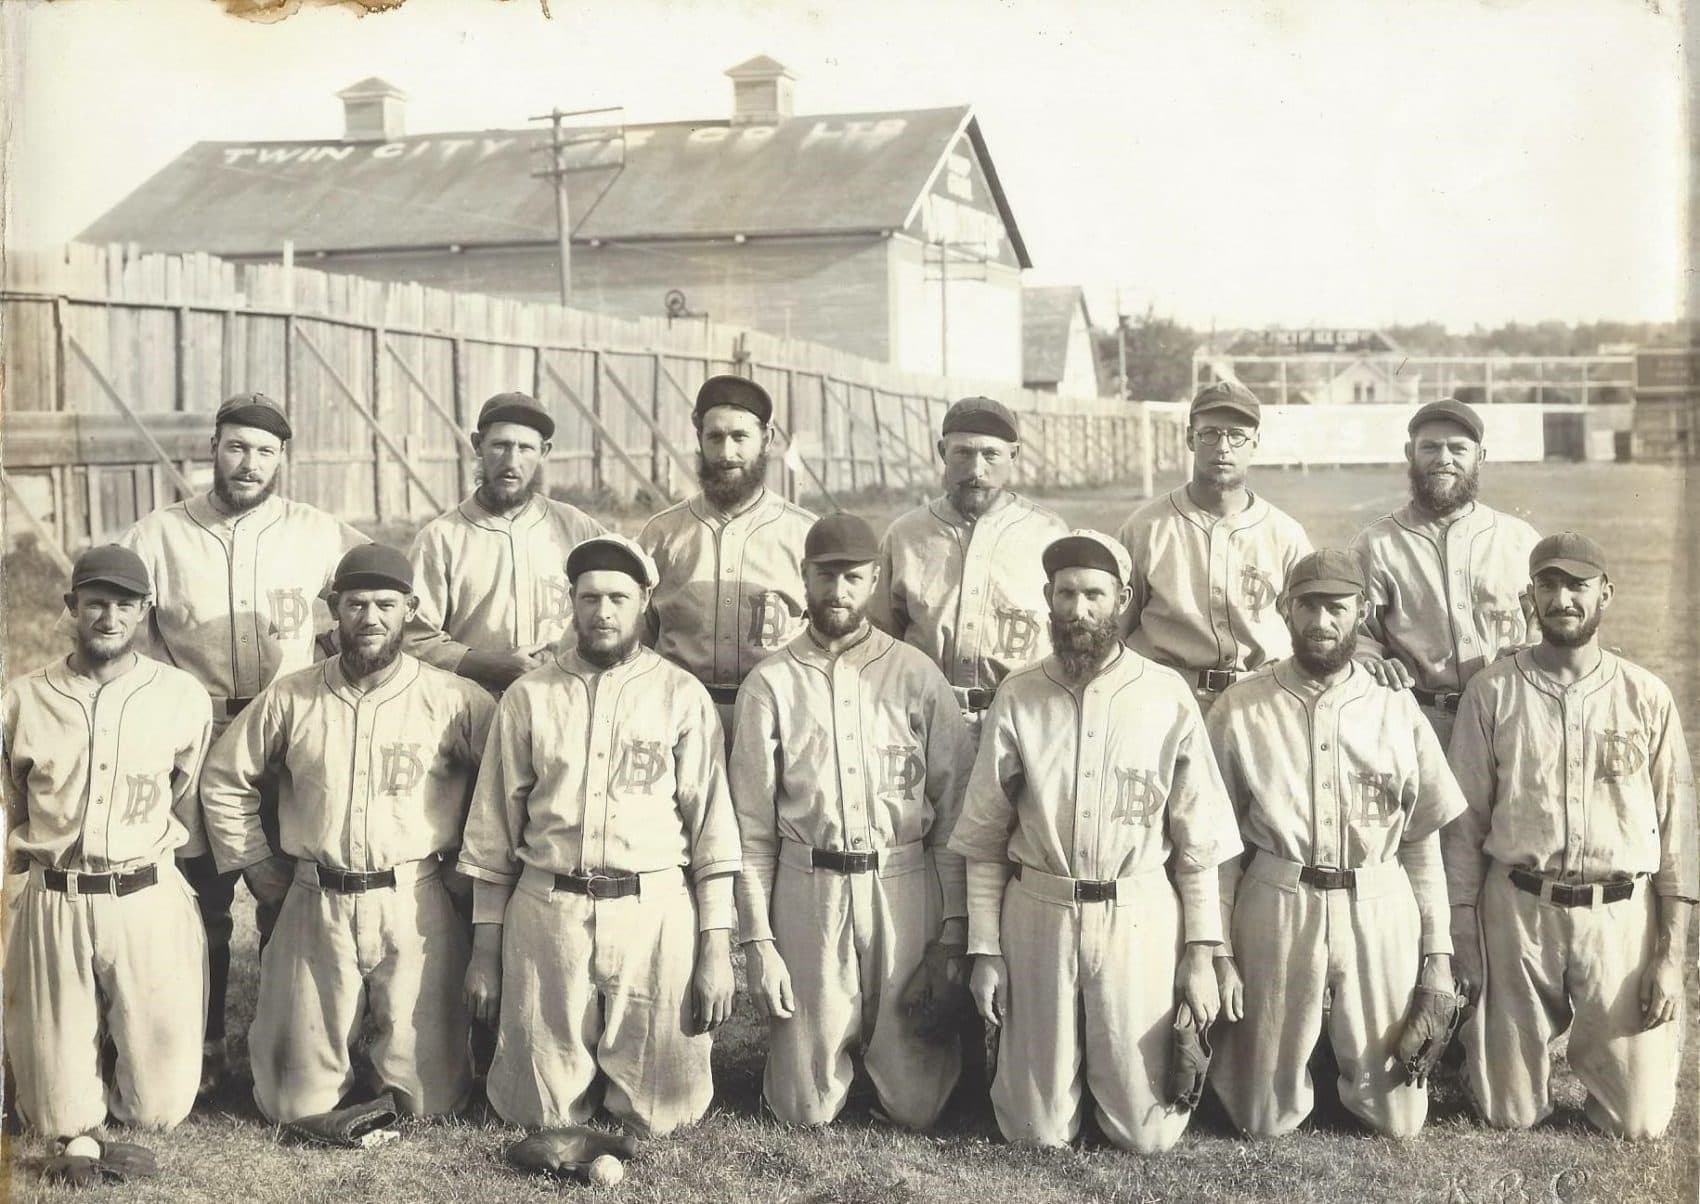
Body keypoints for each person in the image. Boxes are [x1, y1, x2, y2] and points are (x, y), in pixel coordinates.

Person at [947, 530, 1241, 1152]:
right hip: (1040, 910)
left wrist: (1201, 955)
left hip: (1136, 911)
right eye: (1066, 595)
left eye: (1094, 596)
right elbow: (984, 838)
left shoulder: (1165, 694)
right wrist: (985, 950)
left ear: (1123, 599)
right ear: (1047, 599)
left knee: (1145, 1137)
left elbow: (1197, 846)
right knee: (1036, 1133)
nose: (1078, 611)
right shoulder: (1019, 694)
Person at [117, 390, 367, 1091]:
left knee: (289, 890)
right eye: (236, 446)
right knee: (202, 897)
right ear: (212, 450)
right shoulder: (158, 534)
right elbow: (111, 622)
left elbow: (377, 591)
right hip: (196, 731)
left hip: (288, 731)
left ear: (283, 459)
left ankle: (295, 1045)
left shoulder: (317, 531)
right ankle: (197, 1051)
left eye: (265, 451)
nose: (249, 463)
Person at [198, 544, 495, 1123]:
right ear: (334, 608)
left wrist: (469, 871)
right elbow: (224, 778)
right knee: (290, 1104)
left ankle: (406, 1058)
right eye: (355, 604)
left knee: (427, 1105)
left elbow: (503, 791)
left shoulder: (456, 699)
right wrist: (256, 865)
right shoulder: (291, 696)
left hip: (415, 900)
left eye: (386, 604)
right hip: (315, 898)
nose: (370, 618)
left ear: (410, 608)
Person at [458, 534, 742, 1136]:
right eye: (589, 598)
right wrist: (485, 951)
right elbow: (491, 834)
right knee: (536, 1114)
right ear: (572, 602)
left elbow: (713, 829)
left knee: (664, 1116)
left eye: (618, 597)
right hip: (550, 906)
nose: (603, 612)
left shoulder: (681, 696)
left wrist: (715, 947)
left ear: (644, 601)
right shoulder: (529, 696)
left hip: (653, 910)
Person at [1444, 531, 1695, 1139]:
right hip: (1519, 911)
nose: (1562, 599)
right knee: (1509, 1115)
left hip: (1620, 916)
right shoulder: (1493, 691)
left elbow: (1680, 837)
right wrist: (1463, 931)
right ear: (1529, 596)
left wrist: (1669, 953)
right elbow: (1464, 824)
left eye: (1578, 585)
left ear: (1605, 594)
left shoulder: (1646, 695)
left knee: (1637, 1125)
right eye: (1548, 585)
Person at [1205, 550, 1464, 1137]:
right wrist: (1220, 950)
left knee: (1397, 1119)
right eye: (1308, 605)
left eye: (1336, 607)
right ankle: (1293, 1049)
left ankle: (1334, 1046)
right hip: (1278, 894)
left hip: (1378, 898)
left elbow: (1422, 844)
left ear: (1362, 612)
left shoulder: (1397, 707)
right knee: (1260, 1119)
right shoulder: (1240, 705)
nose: (1321, 620)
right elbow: (1219, 848)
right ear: (1284, 609)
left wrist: (1438, 962)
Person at [730, 513, 975, 1129]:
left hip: (902, 877)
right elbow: (752, 829)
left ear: (873, 582)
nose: (838, 591)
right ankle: (812, 1060)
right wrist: (759, 941)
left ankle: (900, 1055)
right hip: (808, 882)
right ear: (803, 577)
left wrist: (951, 934)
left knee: (920, 1106)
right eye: (825, 575)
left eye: (853, 578)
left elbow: (953, 815)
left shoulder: (916, 673)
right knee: (801, 1110)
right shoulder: (771, 682)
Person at [3, 545, 212, 1137]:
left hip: (144, 895)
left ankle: (116, 1048)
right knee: (54, 1123)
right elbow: (11, 807)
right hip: (55, 896)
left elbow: (186, 799)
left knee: (157, 1113)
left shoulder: (180, 694)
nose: (109, 618)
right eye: (96, 603)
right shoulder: (22, 698)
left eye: (125, 604)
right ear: (72, 607)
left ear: (145, 609)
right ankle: (69, 1060)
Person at [870, 396, 1067, 735]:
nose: (977, 470)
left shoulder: (1048, 534)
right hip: (922, 721)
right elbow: (878, 641)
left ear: (1014, 455)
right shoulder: (905, 534)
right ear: (942, 452)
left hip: (1022, 721)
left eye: (991, 454)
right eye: (963, 453)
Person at [1114, 379, 1310, 714]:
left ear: (1255, 442)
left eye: (1237, 435)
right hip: (1165, 699)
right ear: (1191, 438)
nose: (1223, 447)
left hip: (1260, 699)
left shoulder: (1285, 533)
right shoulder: (1145, 528)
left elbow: (1309, 628)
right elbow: (1115, 629)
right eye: (1210, 433)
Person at [1351, 398, 1540, 743]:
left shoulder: (1518, 539)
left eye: (1458, 448)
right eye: (1430, 447)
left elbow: (1542, 619)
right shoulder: (1376, 543)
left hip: (1510, 715)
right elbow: (1357, 629)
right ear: (1410, 453)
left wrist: (1533, 646)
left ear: (1480, 456)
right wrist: (1367, 656)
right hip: (1418, 721)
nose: (1444, 459)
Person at [637, 375, 816, 734]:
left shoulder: (805, 533)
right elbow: (637, 638)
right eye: (714, 437)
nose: (726, 454)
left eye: (740, 437)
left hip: (778, 719)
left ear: (766, 440)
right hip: (677, 718)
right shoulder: (661, 534)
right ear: (699, 439)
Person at [407, 391, 604, 692]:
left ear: (544, 451)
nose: (512, 461)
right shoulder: (441, 537)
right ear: (478, 445)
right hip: (473, 706)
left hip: (566, 700)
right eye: (500, 445)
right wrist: (488, 663)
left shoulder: (578, 528)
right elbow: (412, 637)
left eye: (525, 448)